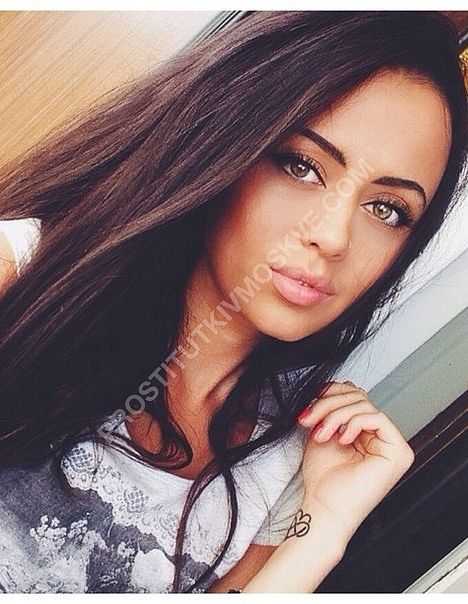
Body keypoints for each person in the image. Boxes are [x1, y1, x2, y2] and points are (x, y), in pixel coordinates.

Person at [0, 10, 465, 594]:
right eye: (302, 166)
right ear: (224, 142)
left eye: (386, 209)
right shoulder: (27, 272)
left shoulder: (290, 463)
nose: (333, 237)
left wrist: (324, 528)